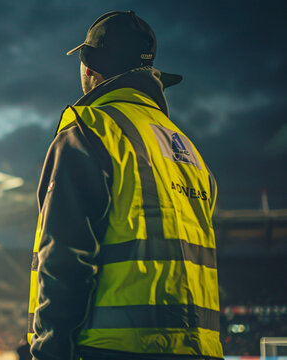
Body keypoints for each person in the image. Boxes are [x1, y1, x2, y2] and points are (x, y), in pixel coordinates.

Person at [27, 10, 222, 360]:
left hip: (112, 348)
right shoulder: (189, 151)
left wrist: (51, 350)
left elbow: (65, 259)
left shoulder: (89, 133)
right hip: (200, 348)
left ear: (89, 68)